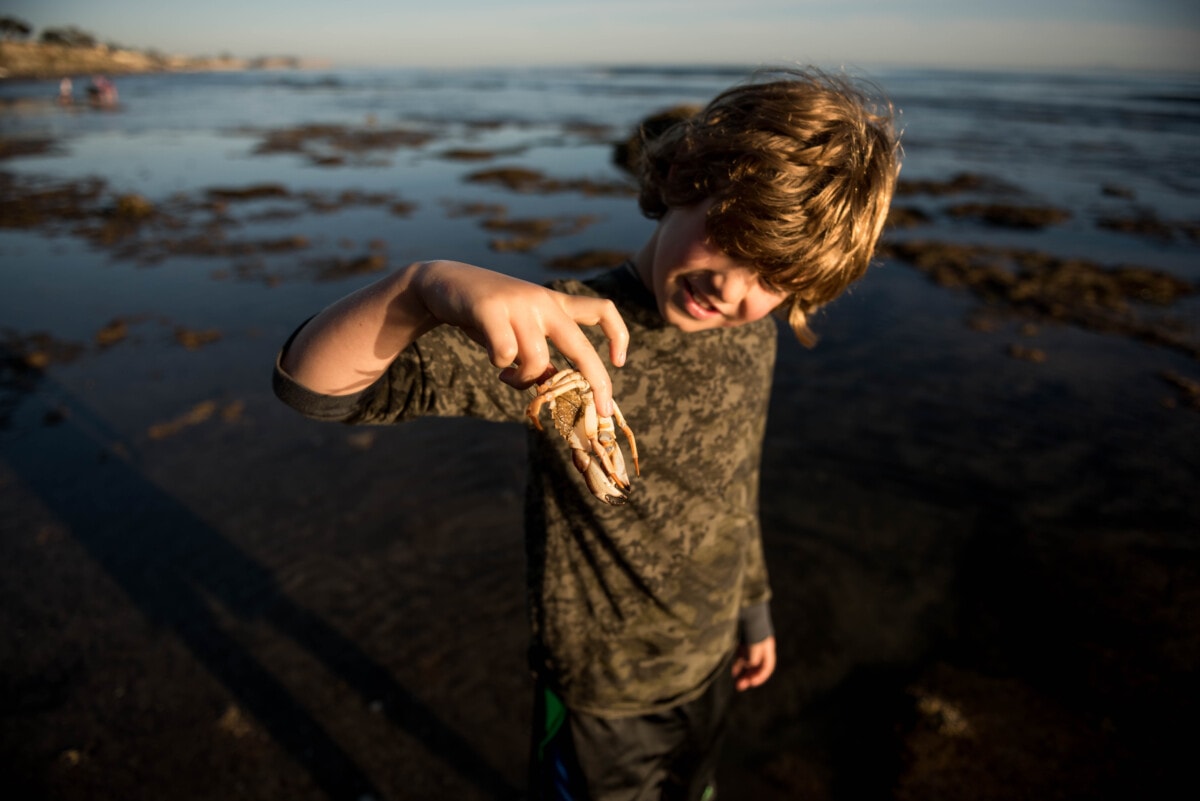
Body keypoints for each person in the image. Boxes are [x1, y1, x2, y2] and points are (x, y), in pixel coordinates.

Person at [273, 66, 900, 800]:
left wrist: (753, 607)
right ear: (686, 178)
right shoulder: (559, 338)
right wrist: (419, 291)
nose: (732, 288)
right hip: (600, 697)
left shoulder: (751, 335)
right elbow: (312, 388)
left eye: (772, 277)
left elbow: (735, 484)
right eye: (730, 236)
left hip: (707, 662)